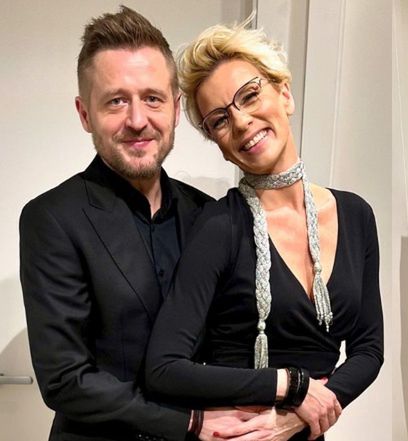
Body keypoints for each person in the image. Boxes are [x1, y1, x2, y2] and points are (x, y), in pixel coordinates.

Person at [16, 6, 255, 441]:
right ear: (85, 114)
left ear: (176, 109)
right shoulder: (50, 219)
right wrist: (189, 423)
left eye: (152, 98)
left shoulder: (210, 214)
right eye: (116, 101)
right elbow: (66, 379)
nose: (138, 120)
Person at [143, 18, 384, 441]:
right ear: (219, 144)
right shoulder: (218, 226)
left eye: (250, 95)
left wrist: (301, 416)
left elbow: (369, 349)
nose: (240, 122)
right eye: (220, 120)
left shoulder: (356, 215)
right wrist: (293, 386)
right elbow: (164, 367)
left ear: (284, 93)